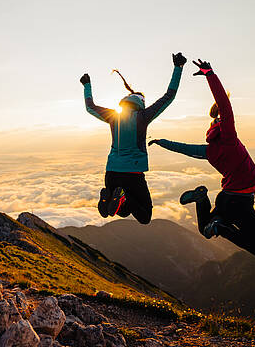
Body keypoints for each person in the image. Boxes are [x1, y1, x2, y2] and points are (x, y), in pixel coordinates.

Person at [149, 59, 255, 260]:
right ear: (220, 122)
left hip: (228, 199)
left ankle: (202, 199)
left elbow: (184, 149)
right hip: (240, 202)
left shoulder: (209, 150)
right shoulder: (228, 138)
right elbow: (224, 105)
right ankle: (220, 225)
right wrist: (210, 74)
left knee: (205, 227)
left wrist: (161, 141)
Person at [80, 52, 187, 224]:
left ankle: (110, 198)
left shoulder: (113, 116)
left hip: (111, 172)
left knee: (119, 211)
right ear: (140, 102)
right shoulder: (143, 116)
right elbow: (169, 96)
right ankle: (119, 198)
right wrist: (178, 67)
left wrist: (87, 85)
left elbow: (90, 107)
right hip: (133, 174)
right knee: (145, 216)